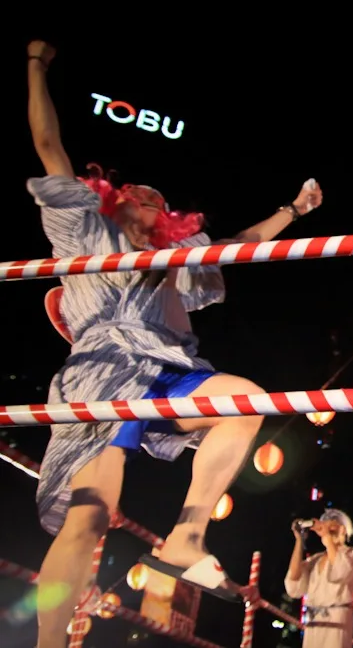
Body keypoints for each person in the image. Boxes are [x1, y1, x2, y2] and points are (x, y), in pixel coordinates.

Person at [25, 39, 324, 647]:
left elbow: (235, 246)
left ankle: (187, 535)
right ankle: (47, 641)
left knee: (245, 400)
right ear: (117, 198)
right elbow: (49, 146)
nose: (153, 199)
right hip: (103, 370)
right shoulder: (86, 229)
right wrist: (35, 66)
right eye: (141, 192)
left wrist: (291, 210)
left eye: (162, 202)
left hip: (163, 368)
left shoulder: (172, 261)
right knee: (88, 517)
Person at [285, 509, 353, 648]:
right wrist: (299, 540)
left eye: (332, 523)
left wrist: (327, 535)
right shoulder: (316, 558)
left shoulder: (352, 553)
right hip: (314, 621)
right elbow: (294, 578)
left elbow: (341, 572)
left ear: (342, 529)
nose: (327, 526)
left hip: (337, 619)